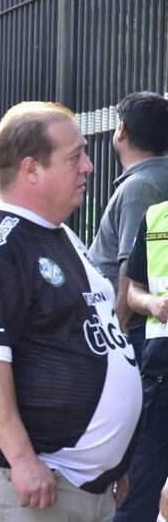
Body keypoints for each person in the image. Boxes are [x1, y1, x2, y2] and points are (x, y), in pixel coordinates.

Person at [0, 101, 141, 522]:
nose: (88, 166)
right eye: (75, 156)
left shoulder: (60, 235)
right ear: (31, 169)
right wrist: (21, 459)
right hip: (25, 482)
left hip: (84, 488)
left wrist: (115, 461)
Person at [89, 91, 168, 368]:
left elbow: (129, 265)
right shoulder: (155, 177)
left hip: (131, 331)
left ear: (121, 130)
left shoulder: (139, 187)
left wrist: (117, 329)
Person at [110, 196, 168, 522]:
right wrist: (152, 303)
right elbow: (133, 290)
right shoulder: (156, 216)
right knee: (134, 500)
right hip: (159, 377)